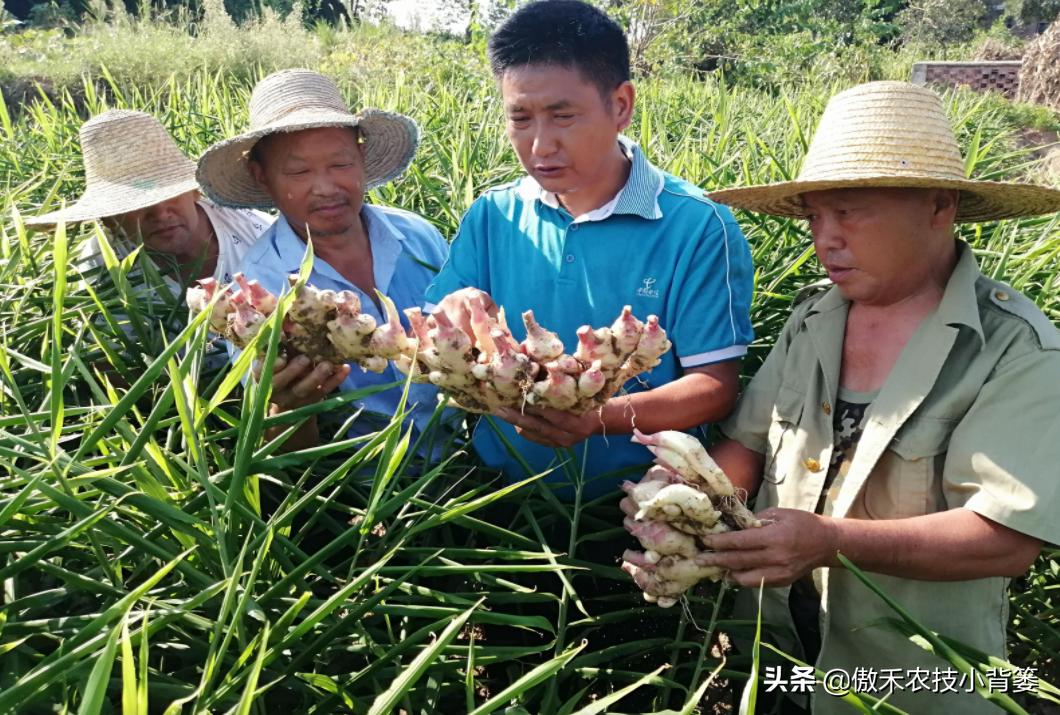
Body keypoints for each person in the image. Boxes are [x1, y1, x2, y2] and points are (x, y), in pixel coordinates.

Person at [644, 80, 1060, 714]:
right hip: (777, 656)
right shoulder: (814, 317)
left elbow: (1007, 539)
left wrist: (831, 542)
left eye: (849, 211)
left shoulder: (1012, 348)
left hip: (912, 681)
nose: (825, 238)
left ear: (939, 207)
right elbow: (745, 444)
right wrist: (684, 503)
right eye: (814, 216)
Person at [425, 0, 754, 499]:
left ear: (621, 105)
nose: (540, 145)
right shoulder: (493, 216)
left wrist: (600, 418)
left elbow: (715, 385)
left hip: (635, 514)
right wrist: (452, 320)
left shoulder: (696, 226)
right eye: (521, 118)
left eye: (563, 116)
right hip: (495, 502)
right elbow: (439, 338)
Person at [197, 69, 449, 450]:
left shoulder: (418, 236)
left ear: (362, 158)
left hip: (482, 455)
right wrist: (288, 407)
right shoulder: (256, 293)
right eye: (299, 171)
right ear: (261, 176)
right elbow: (284, 449)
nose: (327, 188)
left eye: (341, 164)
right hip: (364, 487)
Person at [27, 109, 271, 287]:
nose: (161, 213)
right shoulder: (104, 263)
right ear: (110, 220)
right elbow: (102, 353)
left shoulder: (258, 233)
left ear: (195, 191)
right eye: (137, 206)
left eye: (171, 195)